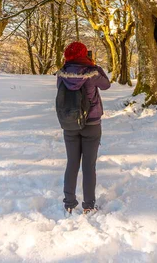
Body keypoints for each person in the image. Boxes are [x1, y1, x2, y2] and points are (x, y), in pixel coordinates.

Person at [56, 41, 111, 214]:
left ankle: (69, 203)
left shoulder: (62, 73)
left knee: (72, 163)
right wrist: (95, 66)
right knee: (89, 165)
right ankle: (88, 205)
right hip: (92, 123)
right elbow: (106, 85)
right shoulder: (91, 73)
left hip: (70, 123)